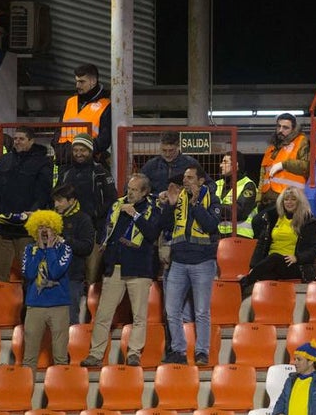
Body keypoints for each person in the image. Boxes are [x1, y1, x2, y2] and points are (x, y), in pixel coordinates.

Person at [80, 173, 160, 368]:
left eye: (134, 190)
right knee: (103, 314)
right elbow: (108, 229)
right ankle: (95, 354)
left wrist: (135, 214)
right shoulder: (117, 205)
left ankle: (134, 354)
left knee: (139, 315)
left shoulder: (152, 209)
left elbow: (151, 234)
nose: (129, 193)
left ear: (145, 192)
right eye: (129, 189)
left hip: (139, 269)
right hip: (114, 267)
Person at [160, 165, 221, 365]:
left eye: (190, 178)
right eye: (184, 178)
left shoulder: (212, 198)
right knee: (171, 310)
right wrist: (169, 205)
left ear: (201, 181)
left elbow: (211, 226)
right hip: (178, 261)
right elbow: (167, 226)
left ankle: (201, 352)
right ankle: (178, 351)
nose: (185, 181)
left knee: (202, 311)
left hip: (202, 261)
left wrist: (196, 205)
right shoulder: (178, 197)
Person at [0, 126, 53, 282]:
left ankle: (28, 305)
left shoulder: (42, 163)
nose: (17, 142)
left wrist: (33, 212)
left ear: (31, 141)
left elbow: (44, 193)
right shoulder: (3, 161)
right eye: (15, 139)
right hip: (3, 228)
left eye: (21, 139)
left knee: (30, 273)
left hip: (27, 230)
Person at [240, 186, 316, 293]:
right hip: (270, 264)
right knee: (267, 274)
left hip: (294, 265)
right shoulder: (273, 218)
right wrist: (254, 266)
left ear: (299, 202)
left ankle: (245, 282)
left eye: (293, 199)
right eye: (286, 199)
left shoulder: (308, 221)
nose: (289, 202)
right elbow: (261, 243)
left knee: (274, 258)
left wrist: (297, 258)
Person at [21, 210, 71, 368]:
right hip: (35, 306)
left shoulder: (65, 249)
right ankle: (26, 392)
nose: (44, 231)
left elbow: (55, 272)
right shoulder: (29, 250)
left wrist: (49, 249)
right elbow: (29, 274)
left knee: (61, 358)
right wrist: (39, 250)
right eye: (40, 227)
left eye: (47, 227)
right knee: (29, 359)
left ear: (55, 229)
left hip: (59, 306)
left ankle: (61, 392)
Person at [56, 132, 117, 236]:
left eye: (82, 150)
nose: (78, 154)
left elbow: (111, 199)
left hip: (94, 228)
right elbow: (57, 195)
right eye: (75, 150)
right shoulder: (65, 172)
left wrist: (96, 214)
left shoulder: (101, 172)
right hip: (67, 228)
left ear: (90, 151)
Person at [53, 184, 95, 323]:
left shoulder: (83, 220)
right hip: (52, 277)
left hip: (72, 277)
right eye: (55, 200)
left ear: (71, 201)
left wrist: (65, 241)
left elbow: (87, 247)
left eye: (60, 200)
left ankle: (71, 345)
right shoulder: (51, 218)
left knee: (70, 318)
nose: (56, 204)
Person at [56, 64, 112, 162]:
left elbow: (104, 139)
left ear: (93, 81)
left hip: (89, 160)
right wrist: (60, 149)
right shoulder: (70, 102)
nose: (77, 85)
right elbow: (58, 130)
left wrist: (82, 152)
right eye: (77, 81)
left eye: (82, 82)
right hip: (65, 160)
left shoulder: (105, 105)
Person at [257, 114, 310, 210]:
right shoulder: (271, 147)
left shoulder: (301, 141)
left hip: (288, 201)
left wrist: (284, 165)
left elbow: (307, 166)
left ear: (293, 129)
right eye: (279, 126)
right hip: (267, 201)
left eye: (285, 127)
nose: (281, 130)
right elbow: (263, 175)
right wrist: (258, 199)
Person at [142, 130, 200, 195]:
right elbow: (140, 187)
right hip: (156, 203)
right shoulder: (151, 166)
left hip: (184, 203)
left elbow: (208, 184)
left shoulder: (191, 163)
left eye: (171, 150)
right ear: (160, 146)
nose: (167, 154)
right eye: (164, 150)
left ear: (178, 146)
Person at [214, 152, 257, 237]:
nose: (221, 165)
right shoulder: (216, 184)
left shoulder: (248, 185)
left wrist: (216, 208)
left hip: (240, 236)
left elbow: (239, 212)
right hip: (218, 235)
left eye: (225, 162)